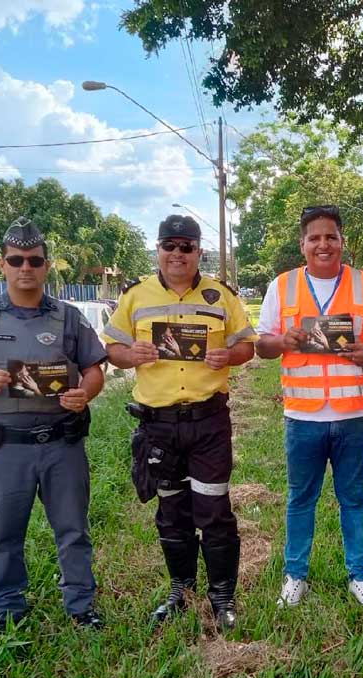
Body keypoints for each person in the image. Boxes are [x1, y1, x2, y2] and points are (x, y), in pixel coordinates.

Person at [0, 217, 106, 634]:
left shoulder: (68, 318)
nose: (25, 268)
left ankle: (81, 605)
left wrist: (84, 393)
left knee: (73, 530)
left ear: (47, 265)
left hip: (61, 444)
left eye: (34, 260)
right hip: (5, 447)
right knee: (4, 534)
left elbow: (94, 370)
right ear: (3, 265)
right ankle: (6, 608)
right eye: (16, 260)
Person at [103, 213, 256, 632]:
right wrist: (129, 355)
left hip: (208, 423)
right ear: (158, 250)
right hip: (158, 425)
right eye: (169, 246)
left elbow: (247, 347)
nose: (177, 254)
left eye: (186, 247)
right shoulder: (135, 296)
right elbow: (113, 349)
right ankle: (181, 590)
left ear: (198, 252)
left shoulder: (220, 295)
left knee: (214, 509)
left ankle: (222, 596)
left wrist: (229, 356)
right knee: (172, 511)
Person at [256, 205, 363, 607]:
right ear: (302, 244)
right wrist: (282, 342)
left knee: (354, 499)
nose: (323, 244)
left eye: (330, 237)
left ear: (342, 242)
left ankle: (360, 577)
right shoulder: (280, 286)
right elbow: (261, 344)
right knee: (301, 498)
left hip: (353, 415)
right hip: (302, 417)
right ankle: (295, 575)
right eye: (314, 237)